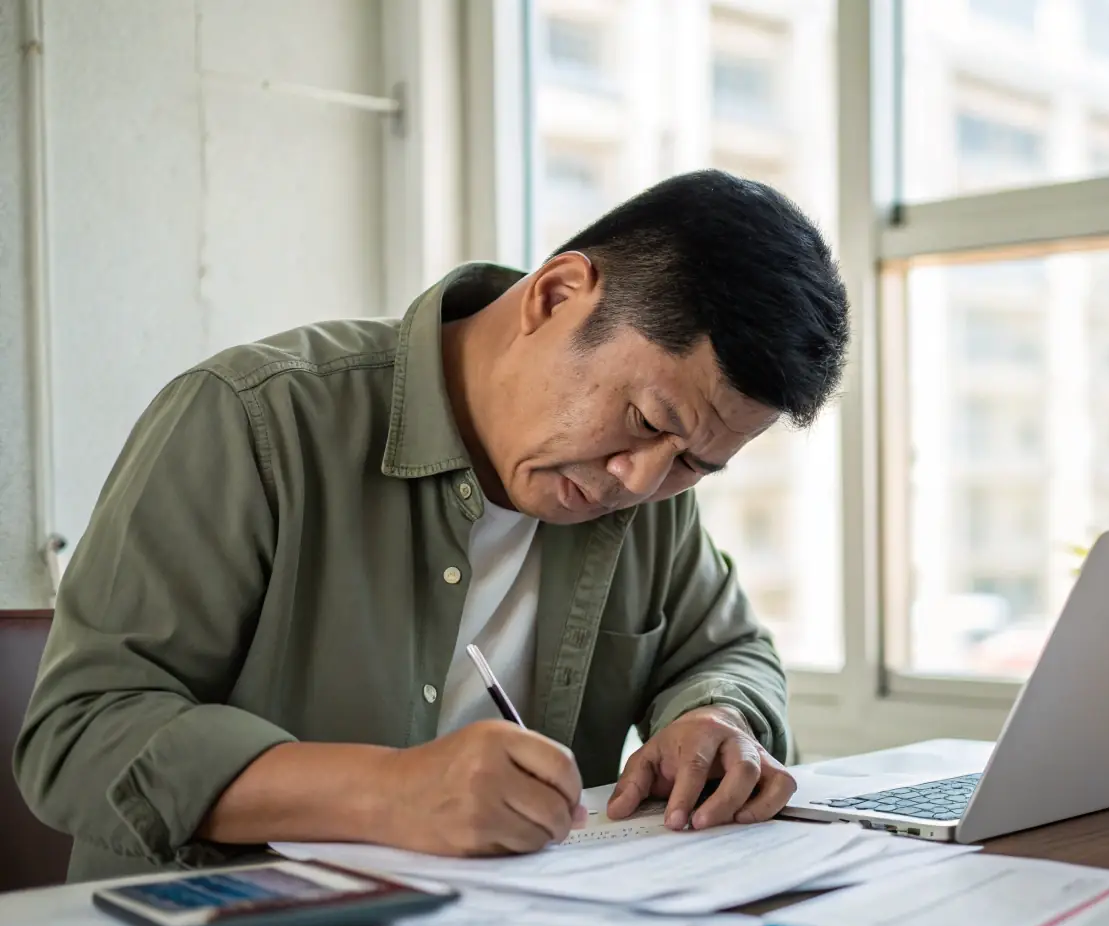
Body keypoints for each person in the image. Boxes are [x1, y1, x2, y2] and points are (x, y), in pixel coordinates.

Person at [14, 170, 850, 881]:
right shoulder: (254, 422)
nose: (640, 480)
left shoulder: (650, 485)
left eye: (696, 464)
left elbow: (726, 653)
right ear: (557, 295)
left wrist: (718, 719)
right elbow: (79, 736)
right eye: (640, 416)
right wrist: (387, 792)